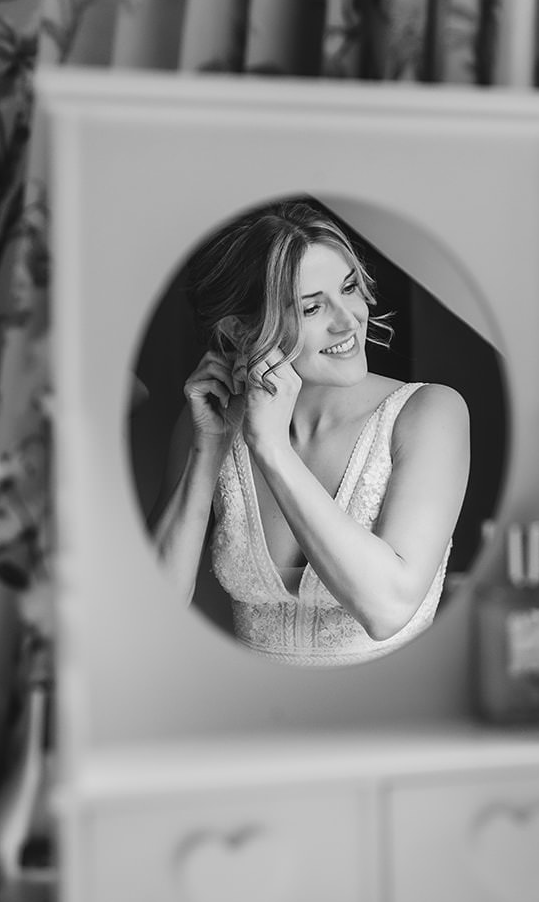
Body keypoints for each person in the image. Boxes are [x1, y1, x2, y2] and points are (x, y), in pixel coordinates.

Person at [152, 199, 470, 666]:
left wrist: (272, 447)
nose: (348, 320)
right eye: (312, 307)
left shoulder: (429, 413)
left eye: (349, 288)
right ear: (241, 330)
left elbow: (387, 610)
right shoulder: (209, 423)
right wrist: (208, 450)